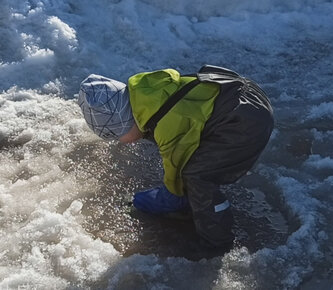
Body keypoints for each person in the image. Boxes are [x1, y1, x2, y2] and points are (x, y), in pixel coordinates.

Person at [77, 65, 274, 248]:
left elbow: (177, 165)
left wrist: (173, 194)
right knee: (193, 167)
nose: (121, 141)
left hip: (245, 120)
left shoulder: (166, 124)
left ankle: (217, 240)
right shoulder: (148, 97)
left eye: (116, 135)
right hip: (241, 95)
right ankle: (192, 205)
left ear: (123, 122)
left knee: (196, 176)